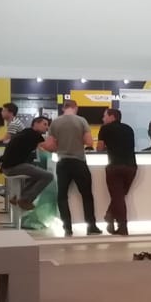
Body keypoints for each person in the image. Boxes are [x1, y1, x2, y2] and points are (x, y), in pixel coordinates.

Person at [49, 100, 101, 237]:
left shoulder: (55, 122)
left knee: (62, 196)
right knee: (87, 195)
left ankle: (67, 228)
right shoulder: (81, 121)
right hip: (79, 162)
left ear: (63, 108)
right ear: (75, 108)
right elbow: (89, 142)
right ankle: (91, 226)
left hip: (62, 163)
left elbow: (51, 146)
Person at [96, 106, 138, 236]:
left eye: (105, 116)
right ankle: (110, 216)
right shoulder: (129, 128)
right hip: (131, 167)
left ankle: (122, 226)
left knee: (117, 197)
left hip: (114, 166)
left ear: (112, 116)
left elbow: (99, 148)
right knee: (119, 196)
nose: (103, 119)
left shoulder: (105, 129)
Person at [0, 115, 53, 209]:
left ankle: (18, 196)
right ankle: (26, 199)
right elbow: (49, 148)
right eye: (45, 124)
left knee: (37, 173)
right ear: (36, 123)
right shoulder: (35, 135)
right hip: (13, 167)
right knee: (48, 176)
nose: (47, 127)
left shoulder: (26, 132)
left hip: (7, 167)